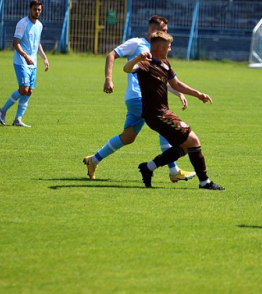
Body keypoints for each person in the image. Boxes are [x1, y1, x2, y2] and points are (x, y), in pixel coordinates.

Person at [83, 15, 194, 183]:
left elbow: (159, 79)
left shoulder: (159, 50)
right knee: (164, 127)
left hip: (141, 99)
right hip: (139, 97)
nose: (166, 33)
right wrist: (108, 78)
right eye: (164, 30)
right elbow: (111, 55)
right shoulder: (137, 43)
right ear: (153, 30)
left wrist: (178, 92)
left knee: (128, 137)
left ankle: (93, 160)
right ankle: (173, 171)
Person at [124, 31, 224, 190]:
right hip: (156, 114)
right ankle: (205, 182)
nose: (170, 49)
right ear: (159, 47)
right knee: (194, 140)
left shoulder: (165, 64)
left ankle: (148, 167)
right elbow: (127, 69)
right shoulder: (145, 64)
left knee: (185, 147)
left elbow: (176, 84)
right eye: (168, 46)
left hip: (164, 112)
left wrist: (198, 94)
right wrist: (137, 58)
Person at [0, 0, 49, 127]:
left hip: (33, 63)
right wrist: (25, 56)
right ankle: (2, 110)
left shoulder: (40, 25)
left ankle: (18, 120)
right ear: (30, 9)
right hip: (21, 61)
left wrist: (44, 58)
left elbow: (37, 44)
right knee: (23, 89)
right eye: (35, 9)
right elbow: (15, 43)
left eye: (39, 10)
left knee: (29, 91)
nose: (37, 12)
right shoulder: (23, 23)